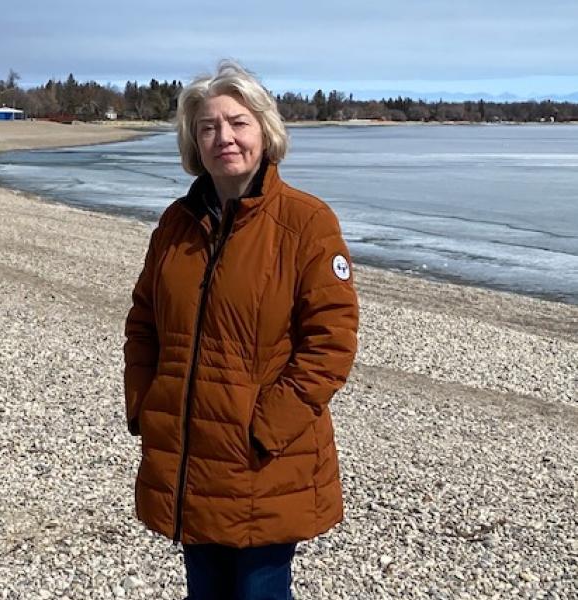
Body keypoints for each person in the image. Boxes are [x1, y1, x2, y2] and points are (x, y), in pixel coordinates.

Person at [123, 60, 359, 600]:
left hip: (263, 460)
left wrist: (263, 429)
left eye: (237, 123)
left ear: (265, 131)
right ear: (194, 142)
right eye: (208, 127)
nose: (223, 137)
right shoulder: (177, 224)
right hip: (189, 452)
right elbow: (143, 322)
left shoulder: (306, 223)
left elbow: (331, 344)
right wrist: (146, 403)